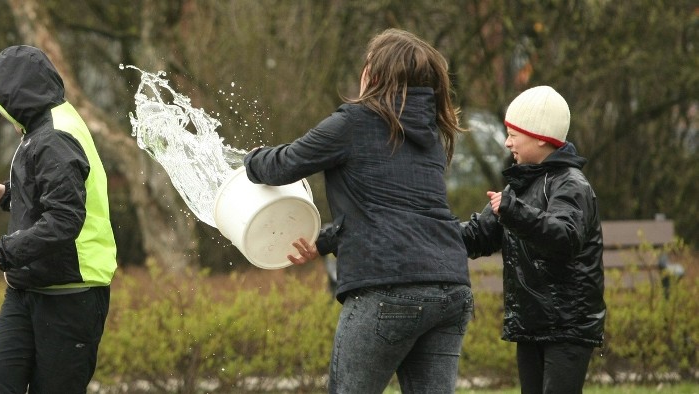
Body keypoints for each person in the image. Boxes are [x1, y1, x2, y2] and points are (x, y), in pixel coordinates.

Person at [244, 28, 473, 394]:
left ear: (375, 75)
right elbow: (396, 214)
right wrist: (324, 242)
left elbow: (280, 167)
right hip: (451, 290)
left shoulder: (353, 122)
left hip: (388, 288)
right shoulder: (430, 134)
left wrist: (248, 159)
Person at [0, 45, 117, 393]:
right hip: (26, 290)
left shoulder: (55, 137)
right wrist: (0, 191)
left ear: (14, 100)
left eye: (0, 106)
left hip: (71, 294)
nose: (1, 114)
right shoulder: (43, 125)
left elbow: (63, 219)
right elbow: (48, 194)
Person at [459, 85, 606, 394]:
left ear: (540, 137)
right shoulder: (520, 186)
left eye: (514, 134)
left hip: (567, 326)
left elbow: (566, 237)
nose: (506, 141)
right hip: (531, 323)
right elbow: (478, 236)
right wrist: (428, 229)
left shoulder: (571, 184)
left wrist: (514, 212)